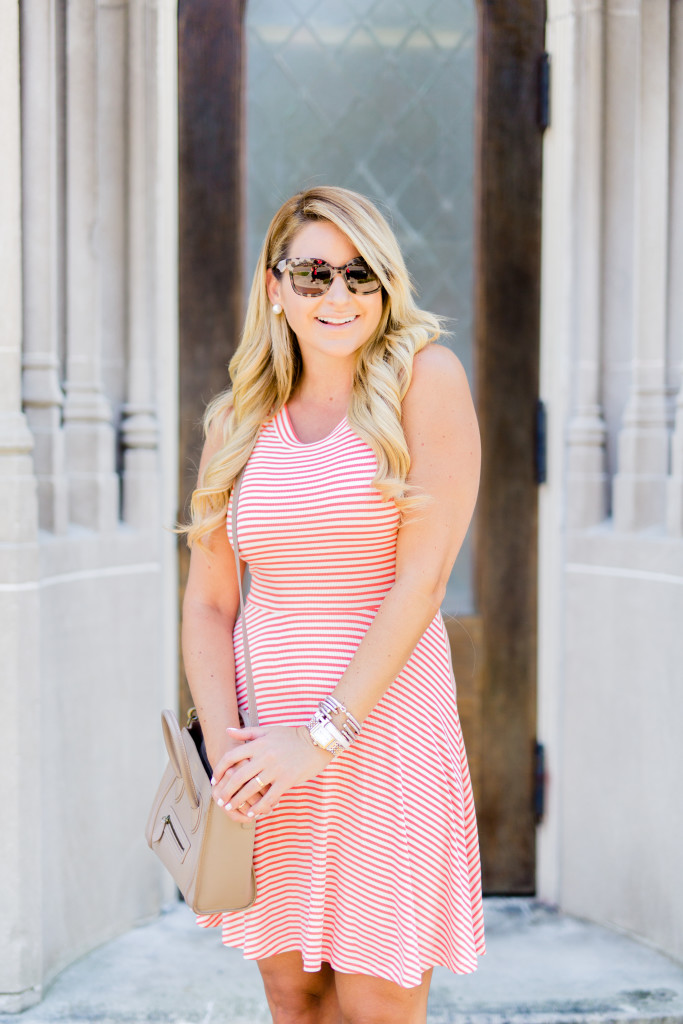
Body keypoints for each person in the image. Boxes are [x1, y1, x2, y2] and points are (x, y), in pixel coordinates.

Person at [181, 186, 485, 1024]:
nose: (338, 296)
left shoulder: (426, 380)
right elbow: (209, 601)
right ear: (273, 286)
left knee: (376, 994)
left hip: (377, 733)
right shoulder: (237, 420)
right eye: (312, 274)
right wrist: (226, 754)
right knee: (293, 992)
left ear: (386, 286)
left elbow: (420, 584)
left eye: (359, 275)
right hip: (261, 749)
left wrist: (321, 738)